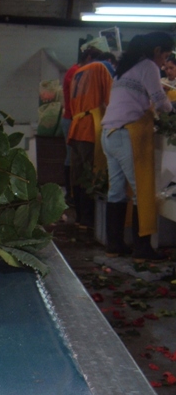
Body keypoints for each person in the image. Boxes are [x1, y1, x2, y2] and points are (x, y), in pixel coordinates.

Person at [101, 31, 175, 262]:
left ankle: (114, 244)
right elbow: (160, 102)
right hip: (126, 133)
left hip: (109, 134)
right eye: (165, 55)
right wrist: (171, 108)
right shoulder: (148, 66)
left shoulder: (123, 70)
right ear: (156, 51)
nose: (165, 61)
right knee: (141, 190)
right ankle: (142, 249)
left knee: (116, 191)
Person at [67, 47, 113, 233]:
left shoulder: (79, 71)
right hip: (90, 128)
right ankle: (88, 219)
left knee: (77, 174)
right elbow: (112, 98)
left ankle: (79, 217)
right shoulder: (102, 68)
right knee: (91, 174)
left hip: (76, 126)